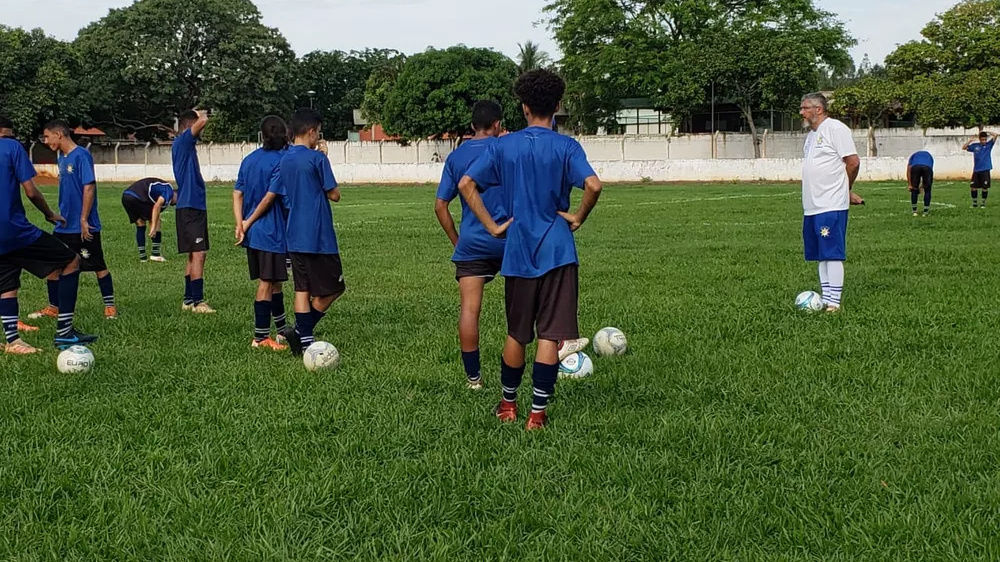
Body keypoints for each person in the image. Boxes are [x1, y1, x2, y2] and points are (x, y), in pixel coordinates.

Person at [458, 69, 603, 430]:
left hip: (518, 249)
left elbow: (466, 183)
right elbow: (594, 185)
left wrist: (492, 226)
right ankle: (537, 415)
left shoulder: (503, 145)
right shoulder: (567, 146)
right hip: (558, 249)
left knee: (516, 333)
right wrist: (578, 216)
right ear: (556, 106)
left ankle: (508, 405)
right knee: (550, 336)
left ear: (523, 107)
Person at [250, 108, 344, 356]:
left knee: (302, 288)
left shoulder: (285, 159)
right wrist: (325, 157)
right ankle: (303, 332)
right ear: (312, 132)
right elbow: (334, 194)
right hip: (319, 235)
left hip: (293, 235)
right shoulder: (317, 159)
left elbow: (276, 191)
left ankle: (303, 344)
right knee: (335, 288)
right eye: (319, 133)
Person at [1, 135, 97, 353]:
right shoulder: (11, 146)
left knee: (7, 282)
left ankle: (13, 341)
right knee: (71, 260)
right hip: (13, 229)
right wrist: (49, 213)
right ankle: (65, 332)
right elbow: (31, 191)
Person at [434, 100, 506, 389]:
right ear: (498, 124)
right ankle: (545, 356)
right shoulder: (506, 149)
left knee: (469, 310)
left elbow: (440, 206)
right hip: (510, 239)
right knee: (526, 304)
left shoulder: (455, 157)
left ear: (472, 126)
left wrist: (458, 242)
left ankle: (474, 379)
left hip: (473, 243)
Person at [28, 121, 117, 321]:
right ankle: (53, 307)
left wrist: (84, 219)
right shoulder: (61, 157)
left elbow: (89, 187)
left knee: (97, 264)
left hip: (83, 225)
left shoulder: (81, 155)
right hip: (64, 224)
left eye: (47, 136)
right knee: (54, 265)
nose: (45, 140)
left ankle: (110, 306)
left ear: (59, 134)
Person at [799, 93, 864, 313]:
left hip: (831, 203)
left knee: (833, 252)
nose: (802, 112)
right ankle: (826, 298)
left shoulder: (836, 129)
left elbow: (853, 162)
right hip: (812, 205)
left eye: (805, 108)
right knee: (821, 254)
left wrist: (845, 189)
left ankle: (834, 303)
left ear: (818, 109)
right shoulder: (810, 137)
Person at [234, 116, 290, 351]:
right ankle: (260, 338)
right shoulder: (282, 161)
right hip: (270, 232)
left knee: (275, 282)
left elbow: (237, 193)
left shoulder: (249, 159)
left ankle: (282, 330)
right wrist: (247, 222)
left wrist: (240, 223)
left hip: (254, 234)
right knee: (267, 283)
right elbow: (269, 198)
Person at [173, 109, 214, 313]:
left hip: (191, 206)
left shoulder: (186, 146)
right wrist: (200, 113)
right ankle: (198, 301)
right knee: (199, 254)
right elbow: (203, 121)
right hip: (190, 206)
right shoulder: (182, 142)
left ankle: (188, 300)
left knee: (193, 254)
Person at [121, 177, 175, 262]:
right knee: (156, 220)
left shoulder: (163, 188)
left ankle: (143, 258)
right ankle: (155, 254)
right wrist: (153, 227)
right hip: (137, 197)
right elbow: (157, 206)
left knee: (140, 223)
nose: (174, 205)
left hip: (126, 196)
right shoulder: (169, 190)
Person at [962, 131, 997, 208]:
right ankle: (974, 203)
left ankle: (983, 203)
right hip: (976, 170)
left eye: (985, 139)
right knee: (973, 187)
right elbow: (963, 147)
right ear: (979, 139)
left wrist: (986, 131)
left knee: (985, 187)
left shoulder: (989, 145)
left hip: (985, 169)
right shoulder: (975, 146)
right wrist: (970, 140)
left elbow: (995, 135)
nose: (984, 141)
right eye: (982, 139)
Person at [906, 150, 934, 216]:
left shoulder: (912, 157)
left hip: (915, 167)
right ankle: (925, 212)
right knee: (927, 190)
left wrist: (910, 185)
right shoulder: (930, 157)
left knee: (914, 189)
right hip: (927, 168)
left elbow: (909, 170)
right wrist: (923, 186)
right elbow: (930, 171)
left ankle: (914, 211)